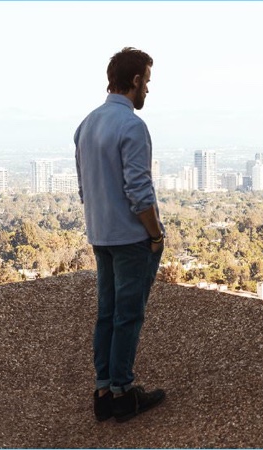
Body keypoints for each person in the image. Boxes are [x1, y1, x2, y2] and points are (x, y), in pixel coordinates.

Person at [74, 47, 165, 423]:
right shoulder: (132, 126)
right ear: (134, 81)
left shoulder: (87, 124)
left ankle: (103, 390)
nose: (149, 89)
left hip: (101, 234)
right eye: (147, 80)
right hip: (130, 238)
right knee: (128, 315)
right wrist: (156, 234)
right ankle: (124, 394)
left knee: (106, 314)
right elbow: (139, 193)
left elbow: (84, 188)